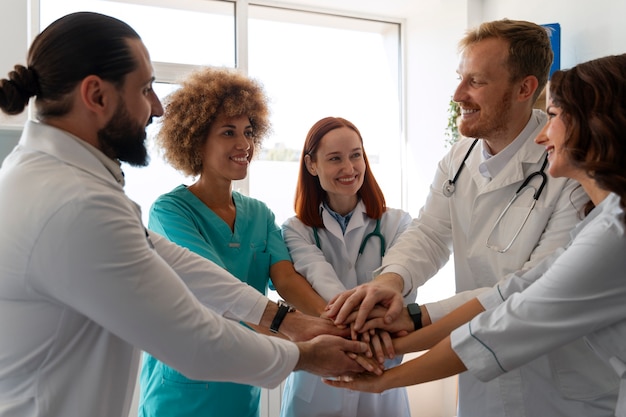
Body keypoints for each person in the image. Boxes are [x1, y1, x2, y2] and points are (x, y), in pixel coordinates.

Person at [0, 12, 375, 417]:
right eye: (145, 89)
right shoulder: (77, 205)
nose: (157, 108)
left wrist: (287, 319)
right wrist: (304, 356)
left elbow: (179, 262)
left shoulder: (58, 181)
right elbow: (193, 339)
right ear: (96, 95)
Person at [325, 18, 619, 416]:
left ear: (524, 89)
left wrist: (393, 362)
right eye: (459, 78)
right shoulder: (459, 157)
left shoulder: (572, 178)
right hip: (478, 373)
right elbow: (430, 233)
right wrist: (393, 282)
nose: (457, 94)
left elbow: (521, 301)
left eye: (475, 82)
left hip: (559, 388)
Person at [138, 67, 335, 417]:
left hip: (243, 389)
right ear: (196, 140)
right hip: (180, 395)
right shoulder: (170, 212)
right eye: (228, 132)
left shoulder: (259, 214)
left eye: (248, 132)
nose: (243, 144)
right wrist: (302, 339)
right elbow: (215, 288)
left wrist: (332, 322)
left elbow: (287, 280)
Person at [279, 117, 413, 417]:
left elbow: (402, 292)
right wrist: (366, 326)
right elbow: (321, 280)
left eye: (356, 155)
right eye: (335, 159)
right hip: (318, 384)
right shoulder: (296, 230)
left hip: (381, 374)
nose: (349, 168)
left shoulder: (398, 224)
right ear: (312, 165)